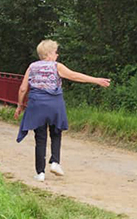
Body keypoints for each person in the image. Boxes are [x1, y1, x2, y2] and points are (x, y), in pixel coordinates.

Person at [14, 40, 110, 182]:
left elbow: (23, 88)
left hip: (37, 105)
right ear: (49, 54)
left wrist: (20, 105)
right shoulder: (56, 66)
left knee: (40, 138)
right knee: (56, 132)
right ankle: (55, 162)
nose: (57, 55)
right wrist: (96, 80)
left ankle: (40, 173)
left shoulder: (32, 67)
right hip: (54, 105)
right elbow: (74, 76)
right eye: (55, 52)